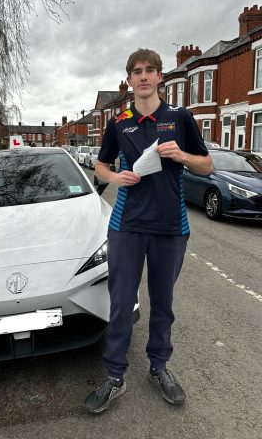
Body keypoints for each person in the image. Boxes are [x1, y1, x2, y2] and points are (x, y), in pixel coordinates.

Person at [84, 48, 213, 414]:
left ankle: (159, 368)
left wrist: (183, 156)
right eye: (136, 72)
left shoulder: (180, 117)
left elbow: (207, 165)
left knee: (163, 303)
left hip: (171, 227)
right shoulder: (119, 123)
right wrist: (114, 176)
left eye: (150, 70)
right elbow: (100, 166)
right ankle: (114, 376)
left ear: (160, 77)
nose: (143, 76)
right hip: (126, 226)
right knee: (122, 303)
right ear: (129, 80)